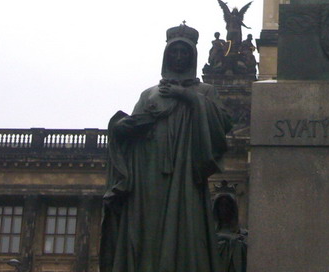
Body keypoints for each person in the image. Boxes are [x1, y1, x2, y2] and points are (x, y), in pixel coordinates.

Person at [100, 24, 234, 272]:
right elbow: (133, 129)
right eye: (175, 52)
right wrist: (120, 127)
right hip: (148, 171)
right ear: (167, 55)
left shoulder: (204, 91)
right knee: (148, 227)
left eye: (185, 52)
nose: (179, 57)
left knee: (184, 224)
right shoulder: (149, 94)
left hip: (185, 172)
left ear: (192, 56)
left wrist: (187, 96)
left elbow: (223, 124)